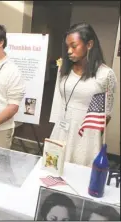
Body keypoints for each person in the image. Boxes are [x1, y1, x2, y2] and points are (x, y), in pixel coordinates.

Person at [49, 23, 117, 167]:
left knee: (79, 177)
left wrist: (91, 135)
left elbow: (107, 113)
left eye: (74, 46)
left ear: (89, 44)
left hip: (86, 134)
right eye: (67, 46)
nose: (69, 51)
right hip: (61, 129)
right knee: (53, 171)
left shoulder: (105, 74)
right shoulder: (64, 70)